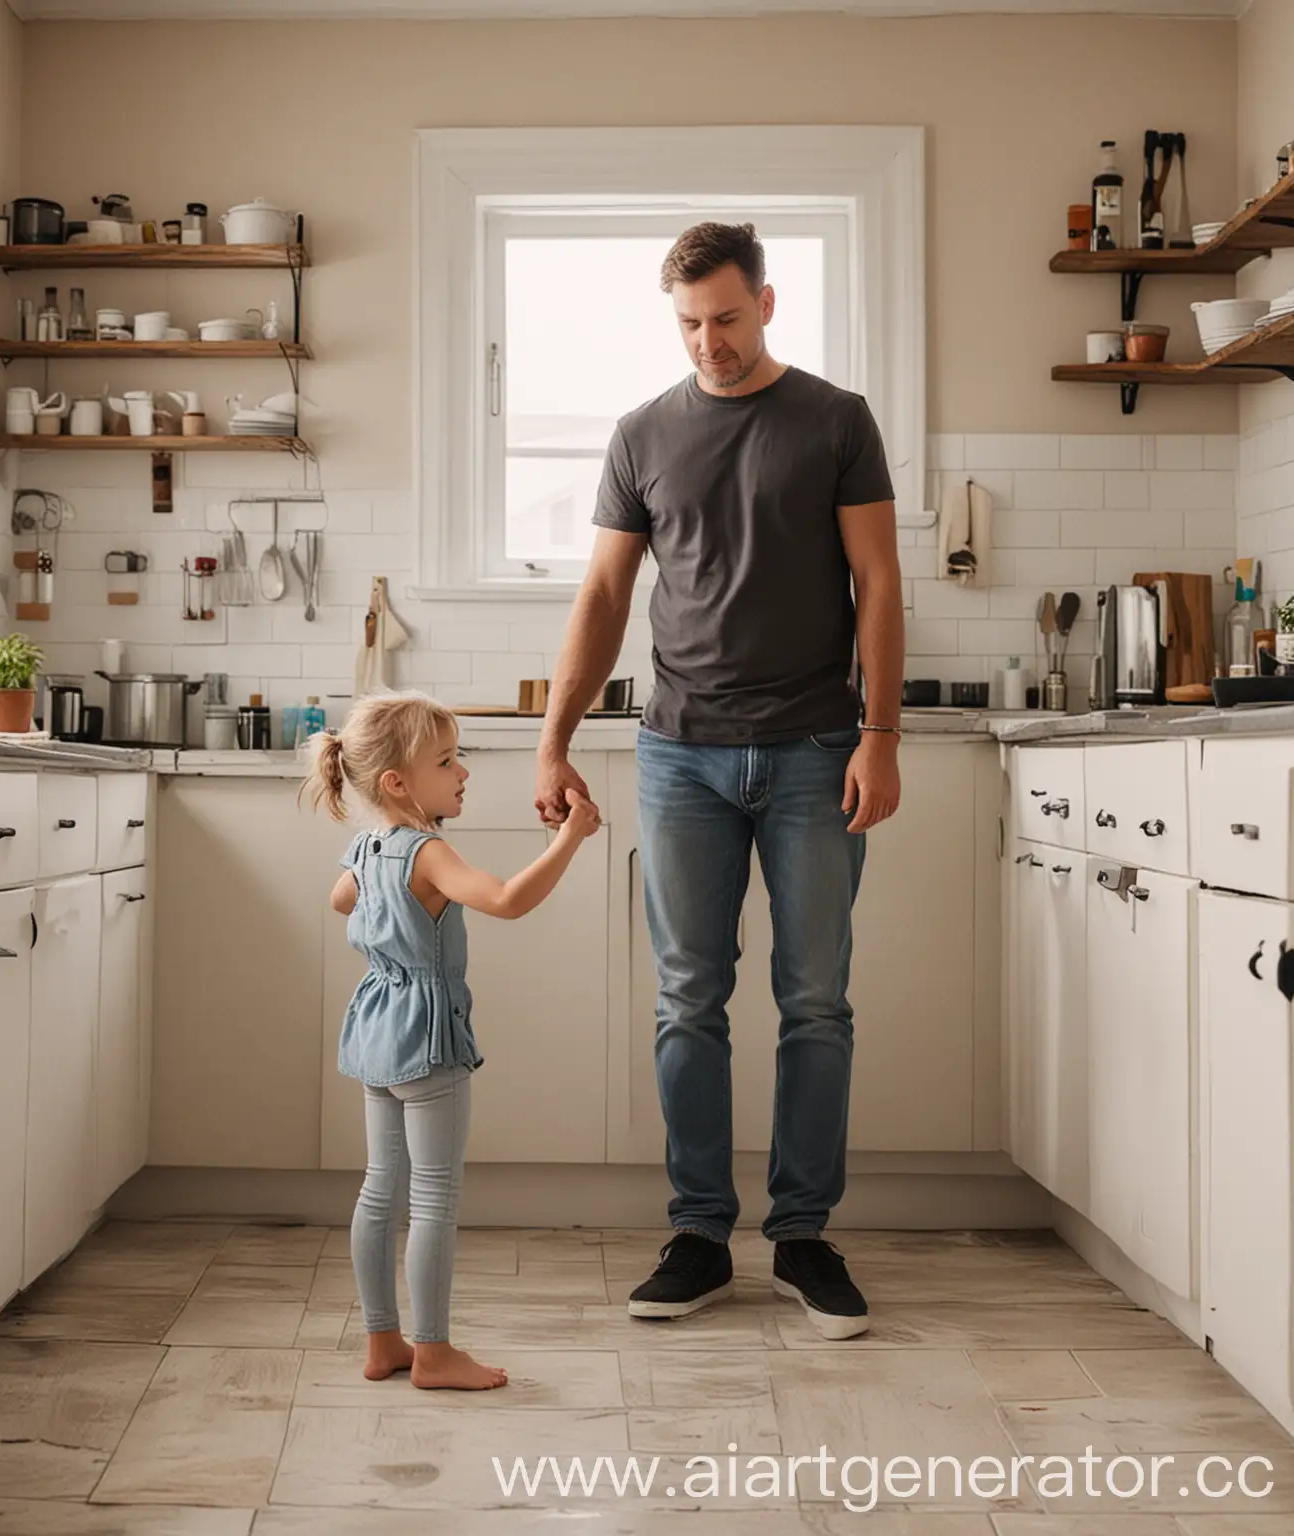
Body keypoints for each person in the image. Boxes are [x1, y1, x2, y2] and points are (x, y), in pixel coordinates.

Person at [534, 221, 905, 1339]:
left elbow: (879, 585)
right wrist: (553, 741)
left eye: (729, 320)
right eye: (692, 324)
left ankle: (803, 1236)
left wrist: (879, 735)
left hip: (813, 751)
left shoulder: (836, 421)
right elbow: (602, 600)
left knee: (815, 1001)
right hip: (680, 751)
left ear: (769, 303)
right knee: (688, 1000)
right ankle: (699, 1234)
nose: (712, 344)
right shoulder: (643, 433)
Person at [309, 691, 602, 1388]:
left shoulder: (368, 845)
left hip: (378, 1029)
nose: (462, 772)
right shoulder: (427, 851)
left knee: (380, 1191)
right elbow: (505, 900)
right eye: (446, 761)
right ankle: (434, 1352)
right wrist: (569, 839)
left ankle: (384, 1343)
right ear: (397, 783)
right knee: (434, 1196)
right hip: (429, 1039)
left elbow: (341, 900)